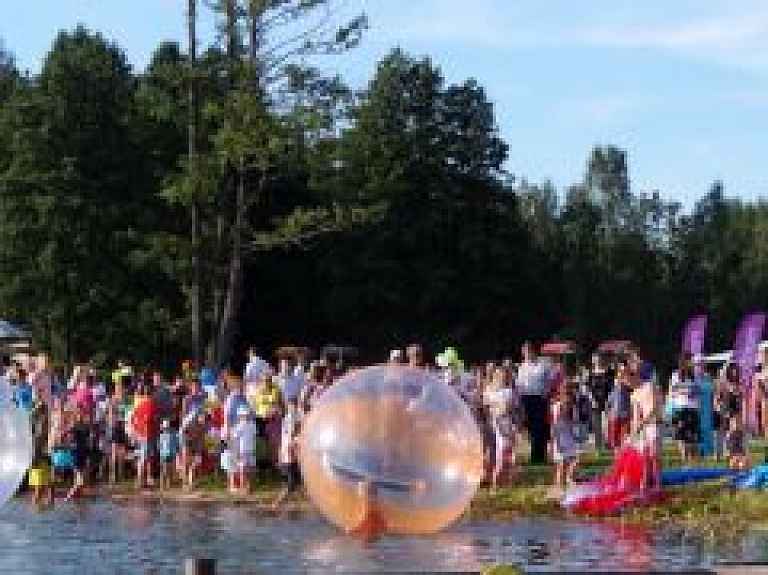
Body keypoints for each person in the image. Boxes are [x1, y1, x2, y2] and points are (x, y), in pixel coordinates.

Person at [516, 343, 552, 465]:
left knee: (540, 427)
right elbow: (519, 384)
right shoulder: (522, 367)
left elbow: (550, 381)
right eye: (525, 352)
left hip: (539, 398)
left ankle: (540, 455)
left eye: (529, 351)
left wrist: (545, 393)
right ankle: (534, 454)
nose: (527, 354)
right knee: (530, 427)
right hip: (526, 399)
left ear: (534, 352)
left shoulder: (543, 365)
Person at [272, 398, 302, 509]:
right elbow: (290, 437)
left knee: (296, 482)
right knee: (291, 483)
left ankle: (291, 503)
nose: (292, 408)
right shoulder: (290, 418)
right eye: (291, 406)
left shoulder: (291, 418)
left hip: (289, 455)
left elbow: (292, 435)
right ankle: (277, 504)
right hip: (288, 456)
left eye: (293, 405)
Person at [669, 356, 700, 463]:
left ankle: (692, 458)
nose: (691, 363)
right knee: (681, 434)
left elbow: (697, 391)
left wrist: (693, 392)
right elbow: (672, 391)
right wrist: (684, 391)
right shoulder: (675, 375)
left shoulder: (694, 376)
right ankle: (684, 457)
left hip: (692, 407)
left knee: (692, 434)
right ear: (683, 362)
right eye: (689, 361)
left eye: (691, 361)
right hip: (680, 407)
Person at [551, 389, 579, 495]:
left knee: (572, 461)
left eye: (570, 396)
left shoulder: (573, 408)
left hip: (569, 438)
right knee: (561, 465)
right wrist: (556, 442)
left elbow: (574, 424)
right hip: (559, 437)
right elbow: (554, 426)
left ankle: (566, 483)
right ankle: (559, 488)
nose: (568, 399)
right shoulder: (557, 407)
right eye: (566, 396)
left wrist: (575, 438)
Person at [66, 409, 91, 501]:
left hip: (83, 452)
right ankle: (68, 497)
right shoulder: (74, 427)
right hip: (76, 453)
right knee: (80, 479)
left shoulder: (86, 426)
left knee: (80, 478)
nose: (80, 416)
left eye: (82, 415)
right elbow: (69, 438)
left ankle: (77, 498)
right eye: (79, 415)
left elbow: (88, 440)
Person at [607, 364, 632, 450]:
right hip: (615, 415)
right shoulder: (615, 386)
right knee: (615, 440)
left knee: (625, 438)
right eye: (620, 372)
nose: (621, 374)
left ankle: (623, 455)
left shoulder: (629, 384)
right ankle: (617, 457)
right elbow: (610, 401)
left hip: (625, 414)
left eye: (623, 372)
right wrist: (609, 412)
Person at [158, 420, 179, 490]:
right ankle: (162, 485)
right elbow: (159, 446)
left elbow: (176, 444)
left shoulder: (173, 434)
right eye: (165, 428)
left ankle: (167, 484)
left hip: (170, 454)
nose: (166, 429)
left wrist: (176, 452)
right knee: (164, 470)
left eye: (167, 428)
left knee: (169, 470)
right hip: (164, 455)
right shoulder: (161, 436)